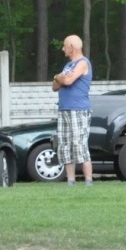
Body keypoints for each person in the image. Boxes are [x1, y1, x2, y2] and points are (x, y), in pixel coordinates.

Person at [52, 34, 94, 187]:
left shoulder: (83, 63)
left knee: (79, 144)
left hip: (79, 110)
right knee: (65, 145)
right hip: (64, 109)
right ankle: (71, 180)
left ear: (72, 47)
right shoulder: (68, 66)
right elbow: (55, 86)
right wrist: (60, 78)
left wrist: (59, 77)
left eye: (65, 46)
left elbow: (68, 81)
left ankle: (88, 181)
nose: (63, 49)